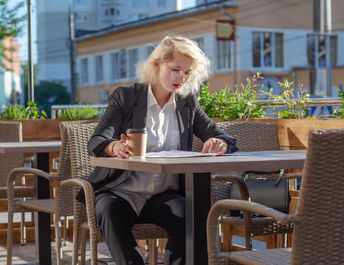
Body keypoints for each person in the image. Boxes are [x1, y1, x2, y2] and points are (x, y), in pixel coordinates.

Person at [83, 35, 238, 265]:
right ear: (157, 65)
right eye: (175, 70)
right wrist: (115, 146)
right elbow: (96, 141)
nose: (181, 78)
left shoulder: (187, 103)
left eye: (187, 73)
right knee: (109, 211)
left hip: (163, 196)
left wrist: (221, 143)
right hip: (121, 191)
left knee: (192, 216)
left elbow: (222, 136)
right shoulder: (126, 98)